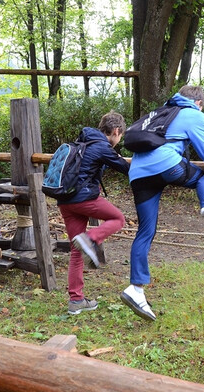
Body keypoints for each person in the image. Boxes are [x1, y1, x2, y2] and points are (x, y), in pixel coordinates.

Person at [120, 85, 204, 322]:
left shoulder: (160, 113)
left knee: (145, 231)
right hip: (166, 164)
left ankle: (135, 290)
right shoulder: (194, 114)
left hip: (138, 173)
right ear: (199, 102)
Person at [58, 111, 130, 315]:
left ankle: (76, 301)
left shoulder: (82, 143)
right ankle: (89, 239)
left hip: (65, 201)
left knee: (76, 250)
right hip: (84, 198)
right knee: (118, 218)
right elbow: (126, 168)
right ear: (116, 131)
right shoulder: (102, 147)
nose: (119, 140)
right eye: (120, 136)